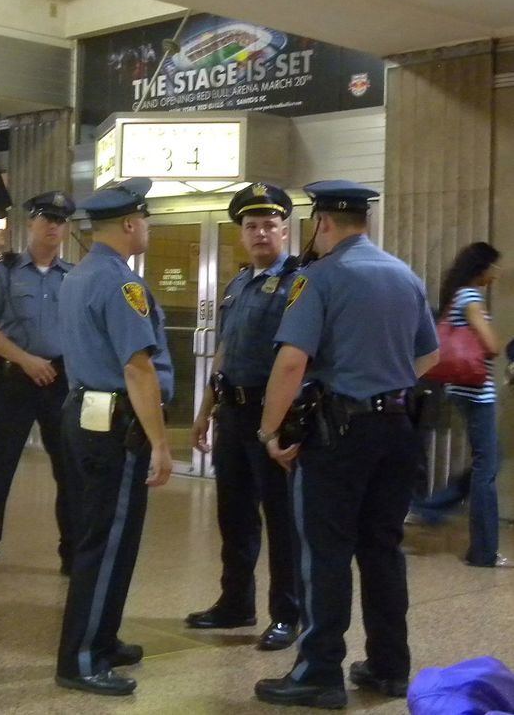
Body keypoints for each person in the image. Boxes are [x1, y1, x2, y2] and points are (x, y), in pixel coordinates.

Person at [254, 180, 439, 709]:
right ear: (366, 222)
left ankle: (318, 672)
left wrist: (270, 431)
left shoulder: (319, 278)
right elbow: (428, 357)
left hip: (340, 435)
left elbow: (292, 362)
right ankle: (388, 666)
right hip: (398, 430)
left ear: (323, 223)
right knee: (382, 549)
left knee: (325, 551)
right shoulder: (405, 276)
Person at [55, 178, 174, 697]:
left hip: (84, 414)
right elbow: (138, 369)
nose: (147, 227)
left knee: (105, 536)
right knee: (106, 543)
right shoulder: (122, 285)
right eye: (145, 219)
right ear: (130, 224)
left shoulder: (79, 276)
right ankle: (80, 659)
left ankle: (102, 639)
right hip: (117, 425)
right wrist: (163, 443)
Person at [186, 182, 299, 651]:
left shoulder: (298, 281)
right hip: (231, 411)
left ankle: (288, 614)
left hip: (274, 413)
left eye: (269, 225)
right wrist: (204, 411)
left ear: (285, 232)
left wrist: (276, 422)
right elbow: (225, 351)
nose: (259, 234)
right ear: (241, 234)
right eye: (251, 226)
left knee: (281, 517)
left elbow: (298, 356)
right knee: (234, 515)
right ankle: (236, 602)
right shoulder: (236, 284)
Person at [0, 191, 75, 583]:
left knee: (69, 470)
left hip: (59, 383)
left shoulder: (73, 276)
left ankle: (72, 552)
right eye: (46, 218)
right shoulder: (5, 271)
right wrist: (25, 359)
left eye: (60, 220)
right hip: (14, 382)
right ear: (30, 223)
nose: (53, 226)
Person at [412, 243, 508, 568]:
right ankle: (483, 551)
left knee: (485, 464)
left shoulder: (456, 295)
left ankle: (432, 508)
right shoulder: (470, 298)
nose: (496, 274)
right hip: (477, 391)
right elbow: (492, 346)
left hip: (459, 387)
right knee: (487, 469)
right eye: (493, 267)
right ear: (481, 268)